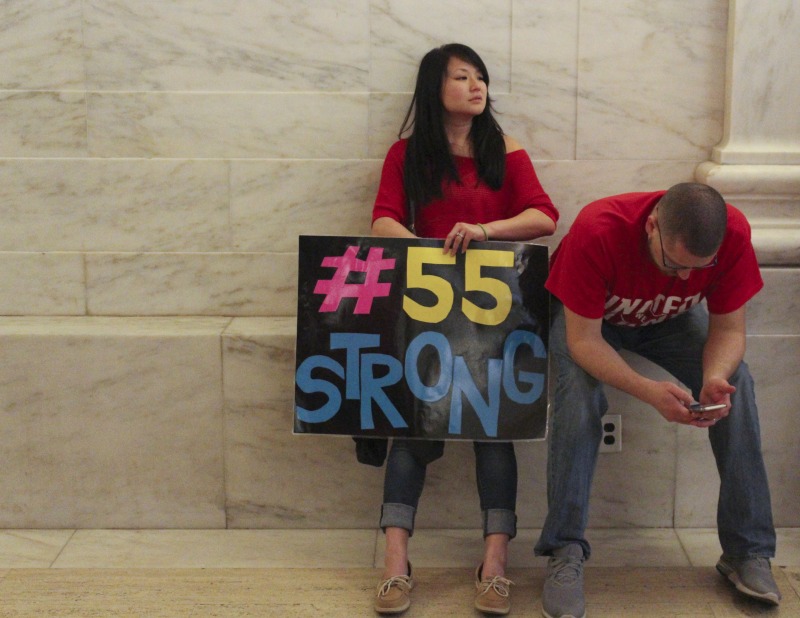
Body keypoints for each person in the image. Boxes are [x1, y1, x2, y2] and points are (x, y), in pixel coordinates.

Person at [370, 43, 559, 615]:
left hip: (492, 313)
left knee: (494, 430)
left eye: (480, 76)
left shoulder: (508, 151)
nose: (477, 86)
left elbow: (544, 217)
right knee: (411, 429)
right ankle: (395, 563)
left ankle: (495, 564)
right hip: (425, 312)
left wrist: (483, 229)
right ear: (435, 87)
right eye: (461, 76)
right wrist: (431, 253)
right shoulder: (407, 155)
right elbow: (381, 221)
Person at [535, 183, 780, 618]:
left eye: (698, 269)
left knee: (736, 390)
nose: (685, 278)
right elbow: (584, 343)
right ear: (651, 227)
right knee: (579, 399)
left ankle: (746, 552)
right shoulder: (598, 230)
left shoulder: (734, 235)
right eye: (675, 263)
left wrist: (714, 377)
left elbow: (728, 332)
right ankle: (564, 552)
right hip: (591, 323)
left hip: (668, 321)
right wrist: (650, 393)